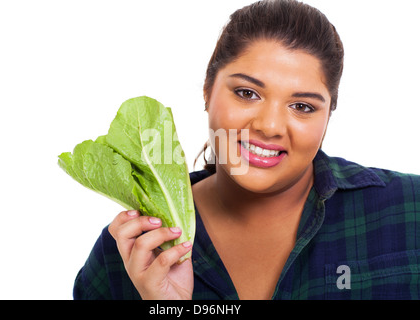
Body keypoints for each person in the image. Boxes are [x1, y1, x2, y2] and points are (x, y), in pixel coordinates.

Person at [73, 0, 420, 300]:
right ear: (207, 91)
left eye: (302, 106)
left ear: (328, 115)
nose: (269, 126)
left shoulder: (409, 210)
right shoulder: (127, 253)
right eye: (247, 93)